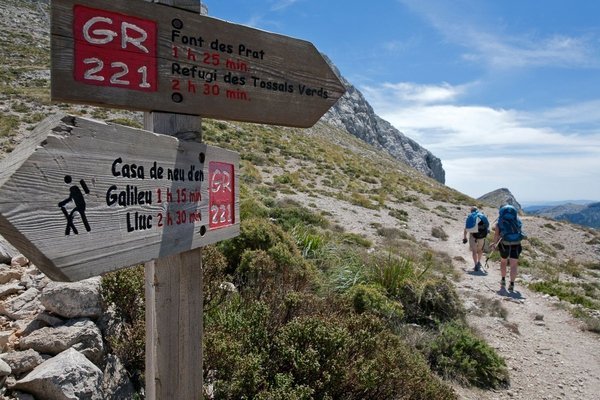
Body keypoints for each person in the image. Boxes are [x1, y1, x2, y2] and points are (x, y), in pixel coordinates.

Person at [492, 204, 525, 292]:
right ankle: (512, 284)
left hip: (504, 245)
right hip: (516, 244)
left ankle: (503, 280)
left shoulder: (499, 222)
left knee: (503, 262)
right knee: (513, 265)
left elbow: (496, 235)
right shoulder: (518, 221)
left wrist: (495, 244)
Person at [463, 206, 488, 272]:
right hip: (481, 236)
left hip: (473, 236)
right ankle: (479, 261)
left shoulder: (470, 216)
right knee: (480, 250)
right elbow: (487, 226)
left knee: (474, 251)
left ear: (471, 210)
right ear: (477, 210)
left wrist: (465, 237)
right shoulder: (482, 216)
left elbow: (466, 228)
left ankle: (476, 264)